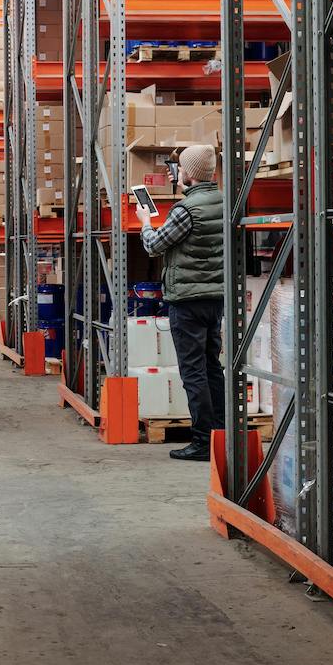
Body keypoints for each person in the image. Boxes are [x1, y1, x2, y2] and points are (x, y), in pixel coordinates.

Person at [137, 144, 225, 462]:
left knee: (193, 371)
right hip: (215, 298)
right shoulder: (223, 201)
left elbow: (154, 246)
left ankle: (202, 442)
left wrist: (146, 222)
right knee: (212, 366)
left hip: (187, 299)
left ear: (188, 173)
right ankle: (221, 433)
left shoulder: (186, 210)